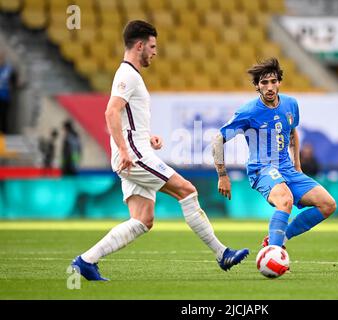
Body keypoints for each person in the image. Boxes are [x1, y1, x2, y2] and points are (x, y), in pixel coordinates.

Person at [71, 20, 249, 281]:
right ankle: (222, 254)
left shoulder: (130, 74)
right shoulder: (127, 75)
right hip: (134, 156)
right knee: (187, 191)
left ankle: (86, 261)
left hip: (137, 150)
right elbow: (111, 111)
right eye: (152, 46)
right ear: (140, 45)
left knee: (143, 220)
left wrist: (146, 137)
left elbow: (126, 118)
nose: (155, 52)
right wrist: (125, 149)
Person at [212, 58, 336, 250]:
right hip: (262, 169)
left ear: (279, 82)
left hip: (288, 168)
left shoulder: (290, 104)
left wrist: (297, 167)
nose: (269, 87)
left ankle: (279, 238)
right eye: (264, 82)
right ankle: (274, 254)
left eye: (273, 81)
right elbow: (218, 140)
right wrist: (222, 175)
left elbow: (292, 132)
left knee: (327, 204)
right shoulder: (249, 112)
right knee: (285, 200)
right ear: (257, 86)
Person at [0, 51, 19, 134]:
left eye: (1, 58)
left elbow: (14, 81)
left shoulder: (9, 69)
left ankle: (3, 136)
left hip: (4, 97)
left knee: (3, 118)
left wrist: (15, 84)